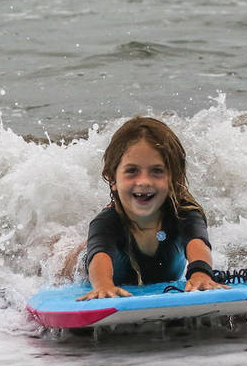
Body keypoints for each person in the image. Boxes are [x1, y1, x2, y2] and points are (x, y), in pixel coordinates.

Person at [76, 116, 228, 301]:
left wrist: (201, 275)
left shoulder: (185, 214)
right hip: (79, 265)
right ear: (112, 178)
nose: (144, 181)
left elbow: (198, 244)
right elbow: (99, 255)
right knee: (60, 255)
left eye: (157, 171)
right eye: (132, 171)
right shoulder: (106, 223)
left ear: (174, 178)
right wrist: (104, 286)